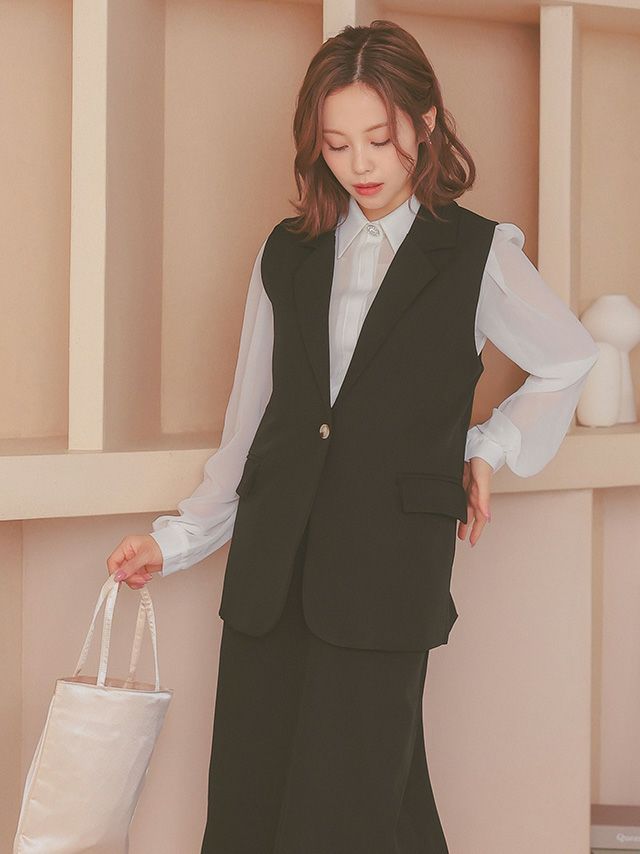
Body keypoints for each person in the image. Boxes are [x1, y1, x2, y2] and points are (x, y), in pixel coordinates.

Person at [106, 19, 599, 853]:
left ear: (426, 123)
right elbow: (252, 421)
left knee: (352, 809)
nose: (359, 164)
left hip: (386, 577)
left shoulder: (475, 253)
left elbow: (569, 358)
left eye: (379, 138)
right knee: (253, 809)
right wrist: (177, 539)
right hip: (272, 576)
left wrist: (490, 447)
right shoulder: (288, 252)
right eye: (336, 144)